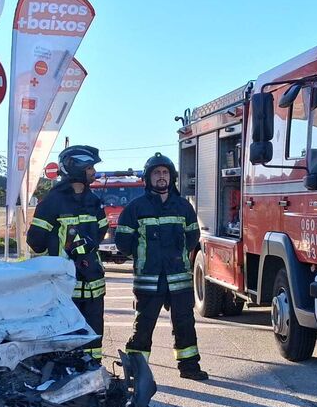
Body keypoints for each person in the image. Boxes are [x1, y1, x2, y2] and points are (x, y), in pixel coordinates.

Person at [116, 153, 209, 381]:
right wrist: (143, 258)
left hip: (179, 278)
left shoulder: (183, 207)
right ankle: (136, 373)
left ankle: (189, 367)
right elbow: (122, 242)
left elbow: (193, 236)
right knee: (144, 326)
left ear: (171, 177)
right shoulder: (135, 208)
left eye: (165, 172)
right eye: (156, 173)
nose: (161, 177)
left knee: (185, 324)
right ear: (148, 178)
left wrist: (177, 257)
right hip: (149, 279)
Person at [26, 145, 108, 361]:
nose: (93, 172)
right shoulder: (51, 202)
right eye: (90, 167)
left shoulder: (94, 201)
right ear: (76, 167)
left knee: (93, 335)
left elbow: (101, 233)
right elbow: (35, 241)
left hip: (93, 284)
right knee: (65, 335)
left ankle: (93, 373)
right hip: (64, 287)